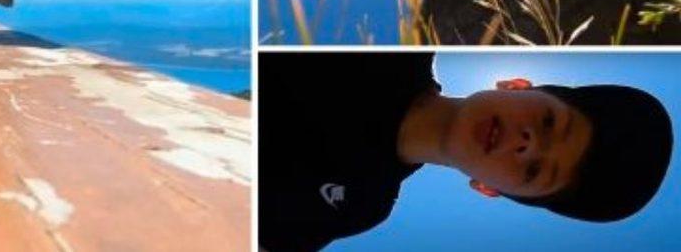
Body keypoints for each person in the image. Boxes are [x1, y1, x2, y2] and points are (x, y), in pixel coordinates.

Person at [258, 53, 673, 251]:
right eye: (549, 122)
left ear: (488, 189)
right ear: (516, 84)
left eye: (533, 172)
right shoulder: (388, 49)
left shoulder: (363, 205)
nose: (526, 144)